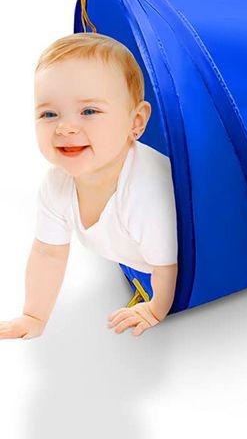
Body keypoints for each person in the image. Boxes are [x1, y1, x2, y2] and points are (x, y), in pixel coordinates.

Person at [0, 33, 178, 339]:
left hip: (193, 249)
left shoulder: (146, 191)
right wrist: (33, 316)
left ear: (136, 123)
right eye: (49, 114)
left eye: (89, 111)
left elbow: (168, 266)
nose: (65, 127)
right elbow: (48, 253)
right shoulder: (57, 185)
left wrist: (154, 309)